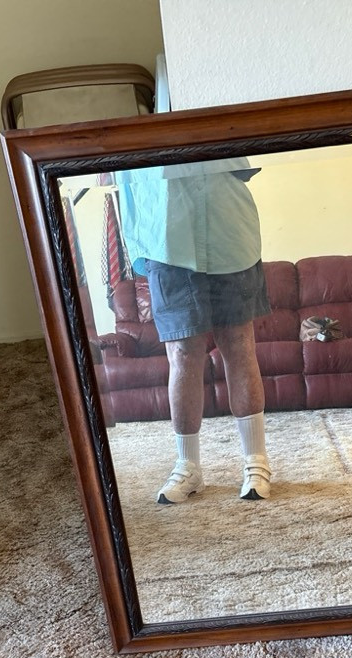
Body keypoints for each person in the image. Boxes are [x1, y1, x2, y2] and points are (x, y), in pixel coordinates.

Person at [115, 158, 272, 504]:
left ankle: (256, 460)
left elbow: (247, 159)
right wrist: (139, 245)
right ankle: (188, 466)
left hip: (231, 234)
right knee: (182, 354)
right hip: (167, 241)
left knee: (240, 346)